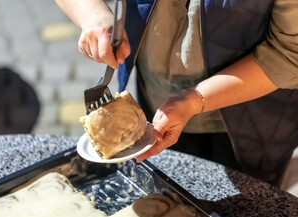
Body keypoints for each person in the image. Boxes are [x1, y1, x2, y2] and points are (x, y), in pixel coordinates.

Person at [55, 0, 298, 187]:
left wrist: (194, 100)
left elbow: (288, 53)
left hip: (256, 123)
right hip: (155, 102)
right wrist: (92, 14)